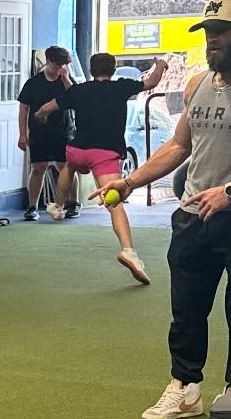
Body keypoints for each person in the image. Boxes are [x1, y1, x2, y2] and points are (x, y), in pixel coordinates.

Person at [104, 0, 231, 419]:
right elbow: (180, 145)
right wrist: (128, 182)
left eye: (222, 32)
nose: (213, 41)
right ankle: (185, 388)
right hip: (193, 216)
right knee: (187, 309)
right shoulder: (197, 84)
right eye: (208, 33)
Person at [36, 52, 166, 285]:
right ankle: (128, 251)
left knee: (69, 167)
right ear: (113, 70)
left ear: (91, 69)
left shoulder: (78, 90)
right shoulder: (121, 88)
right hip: (104, 154)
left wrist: (40, 115)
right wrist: (160, 65)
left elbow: (48, 107)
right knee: (114, 205)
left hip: (78, 150)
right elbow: (152, 82)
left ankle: (57, 206)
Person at [17, 45, 74, 220]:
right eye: (57, 65)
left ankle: (73, 203)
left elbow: (74, 97)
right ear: (48, 62)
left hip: (63, 130)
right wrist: (22, 134)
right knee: (37, 169)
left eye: (63, 65)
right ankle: (32, 206)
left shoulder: (66, 80)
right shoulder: (33, 83)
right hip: (39, 131)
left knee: (66, 168)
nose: (60, 69)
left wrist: (65, 79)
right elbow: (23, 109)